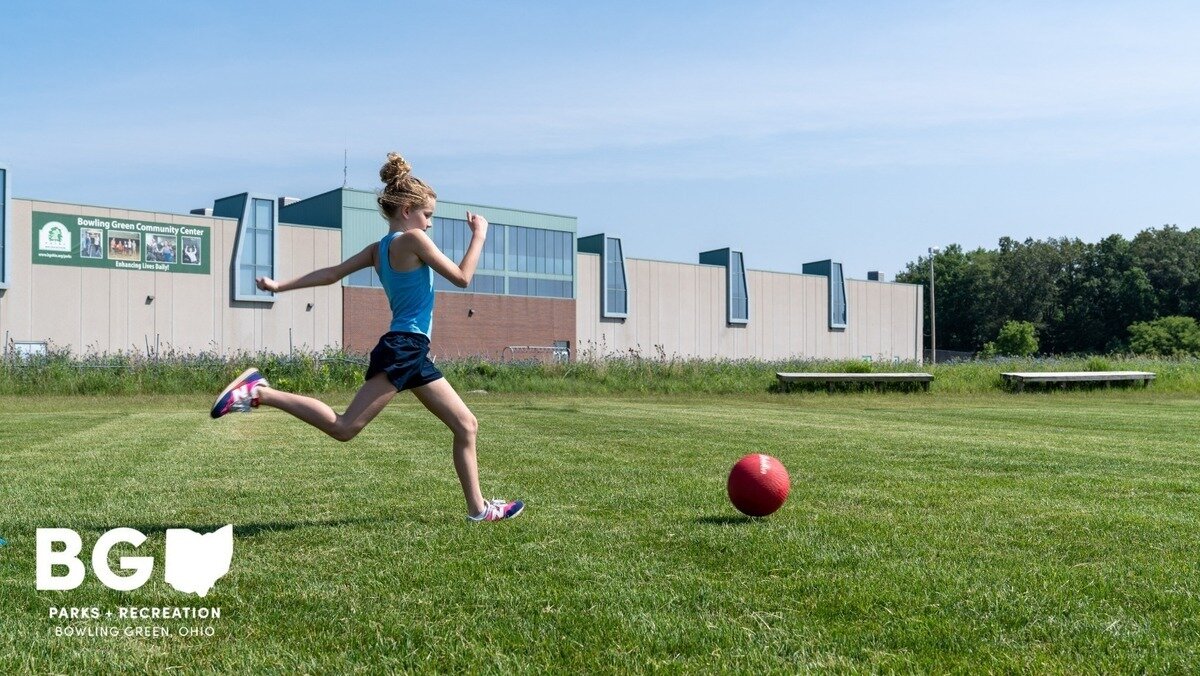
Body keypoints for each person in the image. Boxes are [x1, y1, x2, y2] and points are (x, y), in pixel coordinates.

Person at [210, 152, 523, 522]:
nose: (430, 224)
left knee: (466, 424)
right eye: (428, 215)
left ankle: (478, 510)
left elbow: (331, 273)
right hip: (404, 347)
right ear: (406, 210)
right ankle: (259, 392)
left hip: (413, 351)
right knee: (345, 428)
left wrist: (280, 285)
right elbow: (462, 277)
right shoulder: (413, 240)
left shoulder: (378, 250)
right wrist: (480, 236)